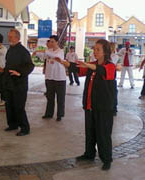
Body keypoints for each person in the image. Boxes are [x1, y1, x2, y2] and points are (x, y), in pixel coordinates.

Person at [58, 39, 116, 170]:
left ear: (105, 52)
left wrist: (90, 66)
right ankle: (89, 154)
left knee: (103, 134)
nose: (94, 52)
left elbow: (102, 71)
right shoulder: (92, 65)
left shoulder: (110, 66)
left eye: (98, 50)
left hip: (103, 107)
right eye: (94, 49)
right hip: (90, 105)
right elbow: (79, 69)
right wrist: (66, 63)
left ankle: (107, 159)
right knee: (90, 132)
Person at [3, 29, 34, 136]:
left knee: (19, 107)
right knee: (9, 105)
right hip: (9, 83)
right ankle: (13, 124)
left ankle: (25, 128)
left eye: (11, 37)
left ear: (17, 38)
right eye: (9, 36)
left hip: (19, 84)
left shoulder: (23, 51)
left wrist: (19, 73)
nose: (9, 39)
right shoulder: (10, 50)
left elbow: (30, 66)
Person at [33, 35, 67, 121]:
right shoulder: (48, 51)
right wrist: (36, 51)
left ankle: (60, 115)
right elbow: (41, 55)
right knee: (50, 97)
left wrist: (44, 50)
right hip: (49, 77)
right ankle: (49, 113)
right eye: (50, 41)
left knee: (60, 98)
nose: (50, 43)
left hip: (59, 78)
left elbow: (56, 57)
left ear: (56, 42)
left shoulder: (60, 51)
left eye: (52, 41)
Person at [110, 42, 120, 116]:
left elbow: (112, 64)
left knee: (113, 91)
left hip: (111, 73)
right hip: (107, 73)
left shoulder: (115, 56)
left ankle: (114, 108)